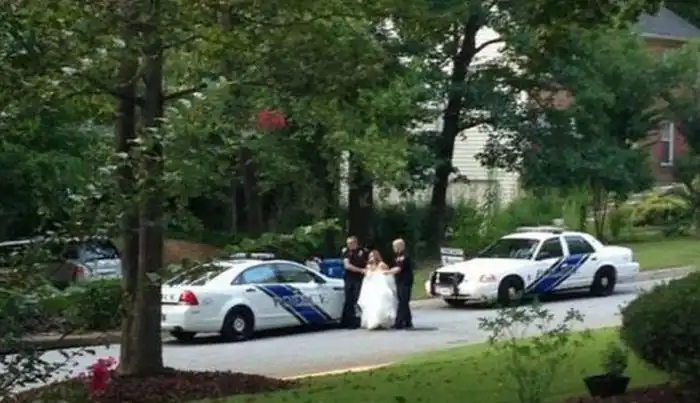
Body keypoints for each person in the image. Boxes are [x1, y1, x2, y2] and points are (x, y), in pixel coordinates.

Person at [357, 250, 397, 330]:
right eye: (370, 256)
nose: (371, 258)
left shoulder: (382, 264)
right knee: (372, 305)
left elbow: (387, 274)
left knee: (381, 304)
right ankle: (373, 322)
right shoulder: (368, 266)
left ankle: (382, 321)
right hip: (371, 288)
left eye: (373, 256)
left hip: (380, 286)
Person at [341, 236, 367, 328]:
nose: (349, 245)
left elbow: (367, 262)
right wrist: (360, 270)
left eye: (351, 243)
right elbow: (347, 265)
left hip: (360, 279)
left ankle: (360, 319)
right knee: (349, 299)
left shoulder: (362, 251)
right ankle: (350, 322)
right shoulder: (346, 252)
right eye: (348, 243)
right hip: (350, 278)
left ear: (356, 243)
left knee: (358, 299)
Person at [388, 238, 414, 329]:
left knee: (402, 302)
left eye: (395, 246)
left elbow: (398, 269)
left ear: (401, 246)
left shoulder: (405, 256)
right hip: (399, 281)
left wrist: (387, 272)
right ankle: (408, 321)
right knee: (403, 301)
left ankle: (398, 322)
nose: (394, 248)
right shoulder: (397, 256)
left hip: (405, 281)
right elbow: (394, 267)